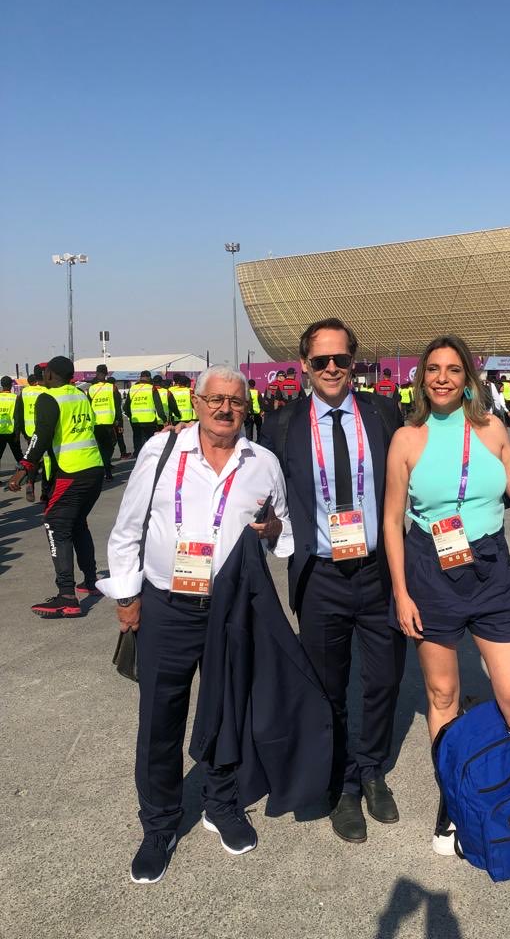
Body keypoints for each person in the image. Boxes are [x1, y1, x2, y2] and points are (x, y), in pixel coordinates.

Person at [96, 365, 290, 884]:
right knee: (160, 716)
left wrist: (273, 528)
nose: (225, 409)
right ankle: (158, 824)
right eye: (215, 400)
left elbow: (282, 530)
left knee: (227, 709)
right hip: (166, 604)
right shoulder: (161, 452)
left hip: (230, 607)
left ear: (247, 409)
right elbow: (128, 529)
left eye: (236, 402)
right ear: (196, 402)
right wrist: (127, 598)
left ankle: (220, 803)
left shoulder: (263, 463)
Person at [383, 335, 510, 869]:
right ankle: (457, 807)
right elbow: (393, 522)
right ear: (422, 377)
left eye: (453, 369)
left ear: (468, 377)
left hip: (490, 572)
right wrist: (400, 592)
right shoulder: (407, 439)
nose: (442, 378)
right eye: (434, 369)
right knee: (443, 698)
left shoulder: (491, 429)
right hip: (429, 574)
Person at [260, 318, 406, 845]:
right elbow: (246, 466)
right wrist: (184, 436)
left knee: (386, 679)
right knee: (329, 687)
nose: (330, 369)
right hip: (320, 575)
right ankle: (341, 781)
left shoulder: (382, 413)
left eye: (340, 360)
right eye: (320, 360)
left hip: (379, 571)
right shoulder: (280, 425)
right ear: (304, 365)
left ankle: (371, 768)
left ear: (353, 362)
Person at [7, 356, 105, 618]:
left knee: (56, 526)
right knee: (78, 524)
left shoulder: (48, 398)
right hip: (93, 469)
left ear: (50, 375)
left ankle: (66, 596)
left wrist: (24, 467)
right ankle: (91, 580)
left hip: (70, 472)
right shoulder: (80, 396)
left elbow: (41, 436)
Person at [88, 364, 124, 480]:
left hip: (96, 423)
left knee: (100, 447)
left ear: (97, 373)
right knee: (110, 447)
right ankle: (107, 469)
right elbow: (118, 406)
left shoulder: (91, 389)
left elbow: (88, 407)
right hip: (109, 422)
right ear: (106, 374)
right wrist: (119, 421)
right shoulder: (112, 387)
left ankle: (102, 467)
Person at [19, 372, 46, 500]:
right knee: (47, 461)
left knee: (33, 459)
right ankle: (45, 493)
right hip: (45, 430)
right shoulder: (46, 390)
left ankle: (30, 482)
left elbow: (19, 414)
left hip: (30, 432)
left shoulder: (24, 392)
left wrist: (23, 432)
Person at [124, 371, 165, 456]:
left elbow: (126, 407)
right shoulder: (152, 388)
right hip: (150, 421)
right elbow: (159, 406)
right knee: (151, 443)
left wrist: (131, 416)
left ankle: (138, 462)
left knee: (138, 443)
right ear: (149, 378)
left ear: (140, 378)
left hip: (136, 422)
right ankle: (151, 462)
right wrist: (164, 418)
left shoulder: (133, 388)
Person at [0, 375, 23, 471]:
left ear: (1, 385)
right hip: (12, 432)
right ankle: (25, 474)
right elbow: (18, 418)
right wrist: (18, 433)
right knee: (18, 455)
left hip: (0, 432)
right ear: (11, 385)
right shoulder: (15, 398)